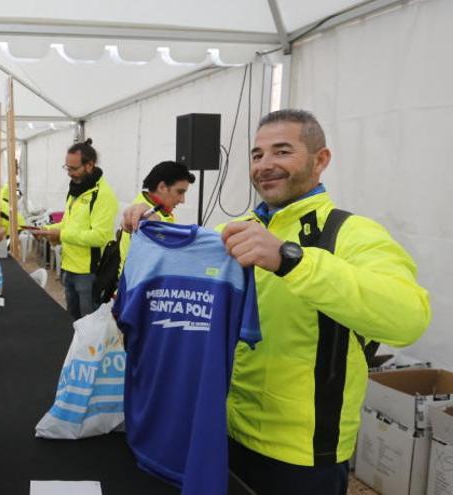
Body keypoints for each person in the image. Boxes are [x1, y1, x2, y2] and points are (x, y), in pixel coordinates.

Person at [122, 109, 431, 494]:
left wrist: (291, 259)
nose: (265, 165)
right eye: (256, 155)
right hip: (221, 432)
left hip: (300, 456)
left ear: (321, 161)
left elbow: (408, 318)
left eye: (282, 152)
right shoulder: (234, 231)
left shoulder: (352, 233)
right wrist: (150, 227)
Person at [33, 138, 119, 320]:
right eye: (67, 168)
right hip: (69, 267)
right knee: (72, 323)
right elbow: (68, 224)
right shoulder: (76, 190)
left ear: (90, 165)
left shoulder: (102, 195)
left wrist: (61, 235)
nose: (69, 174)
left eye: (74, 169)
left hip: (89, 274)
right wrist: (47, 229)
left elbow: (100, 236)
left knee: (89, 328)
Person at [118, 161, 194, 275]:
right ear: (162, 187)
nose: (182, 200)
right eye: (180, 192)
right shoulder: (144, 214)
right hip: (139, 288)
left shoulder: (159, 209)